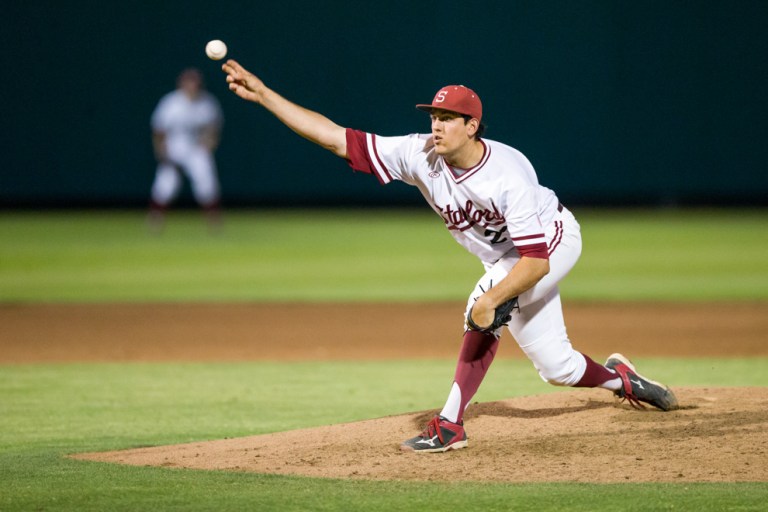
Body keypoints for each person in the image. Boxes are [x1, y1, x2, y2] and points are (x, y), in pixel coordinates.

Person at [221, 59, 679, 453]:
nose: (436, 125)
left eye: (448, 117)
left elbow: (535, 262)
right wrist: (264, 95)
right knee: (557, 368)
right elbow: (336, 138)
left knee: (483, 307)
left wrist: (490, 300)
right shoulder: (421, 154)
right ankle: (623, 379)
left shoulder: (507, 175)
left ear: (472, 126)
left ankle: (450, 426)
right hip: (509, 257)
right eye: (434, 115)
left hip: (552, 241)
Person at [148, 68, 224, 231]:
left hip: (196, 148)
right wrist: (160, 149)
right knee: (166, 185)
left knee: (206, 182)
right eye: (188, 82)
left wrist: (209, 143)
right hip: (175, 146)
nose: (192, 86)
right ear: (181, 84)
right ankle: (155, 220)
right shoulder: (171, 103)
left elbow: (213, 128)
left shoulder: (207, 103)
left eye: (195, 82)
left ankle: (214, 221)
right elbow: (158, 130)